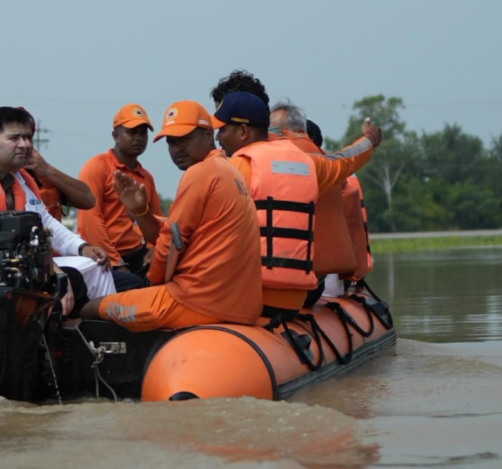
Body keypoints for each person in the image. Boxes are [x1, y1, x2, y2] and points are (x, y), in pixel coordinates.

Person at [80, 100, 263, 332]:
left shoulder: (198, 174)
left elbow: (168, 244)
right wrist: (141, 212)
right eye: (172, 142)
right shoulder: (229, 171)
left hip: (197, 300)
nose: (177, 148)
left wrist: (150, 284)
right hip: (236, 303)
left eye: (185, 139)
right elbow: (169, 233)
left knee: (90, 308)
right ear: (115, 136)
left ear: (208, 135)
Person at [0, 107, 114, 308]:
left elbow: (43, 226)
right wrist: (53, 271)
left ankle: (82, 336)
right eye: (15, 138)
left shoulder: (13, 178)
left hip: (4, 267)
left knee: (81, 275)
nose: (25, 144)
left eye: (27, 138)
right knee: (64, 283)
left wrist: (59, 264)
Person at [213, 92, 381, 315]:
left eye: (222, 130)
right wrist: (368, 140)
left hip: (252, 294)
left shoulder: (235, 168)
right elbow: (345, 160)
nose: (218, 138)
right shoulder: (309, 164)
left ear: (244, 132)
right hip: (300, 294)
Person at [270, 98, 374, 301]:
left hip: (314, 283)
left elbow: (349, 157)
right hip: (291, 277)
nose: (270, 137)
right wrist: (368, 139)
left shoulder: (314, 166)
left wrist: (368, 140)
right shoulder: (268, 165)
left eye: (275, 131)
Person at [78, 104, 162, 277]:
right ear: (116, 136)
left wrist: (155, 248)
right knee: (137, 289)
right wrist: (117, 263)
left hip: (136, 254)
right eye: (132, 132)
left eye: (142, 133)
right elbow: (90, 223)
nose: (138, 138)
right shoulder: (97, 167)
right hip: (100, 257)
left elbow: (156, 220)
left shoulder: (146, 177)